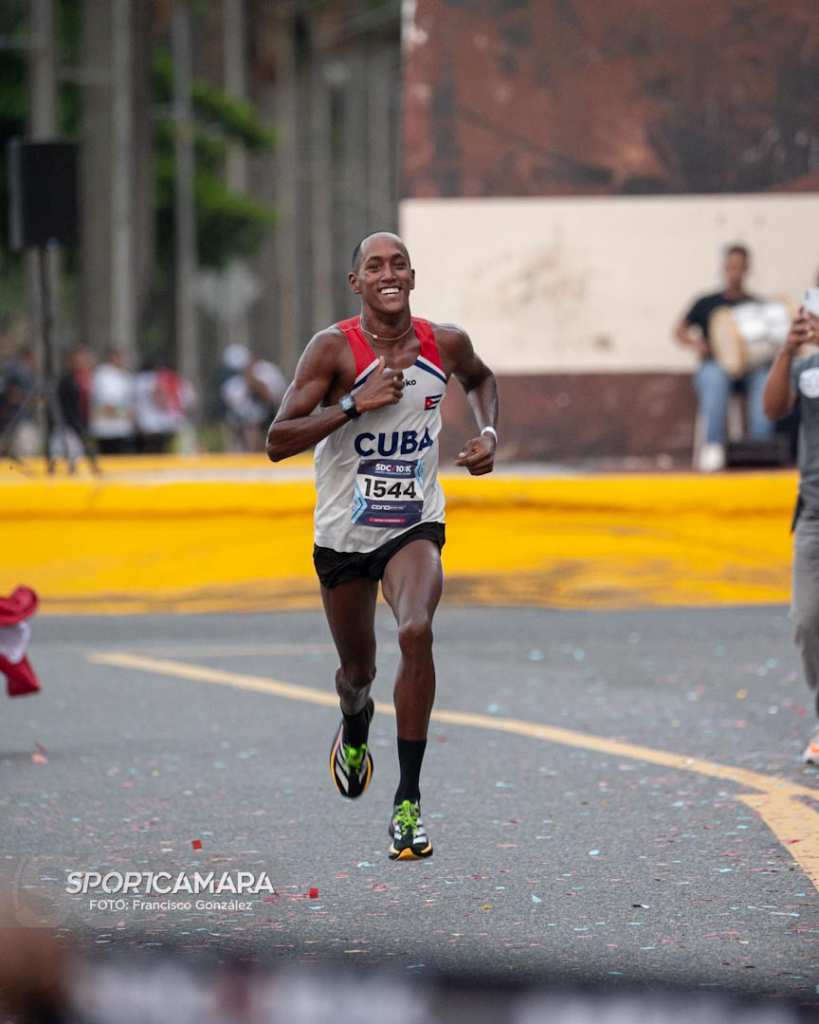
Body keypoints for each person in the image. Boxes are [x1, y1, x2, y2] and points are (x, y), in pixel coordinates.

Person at [266, 231, 498, 860]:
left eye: (398, 264)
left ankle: (408, 802)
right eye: (375, 266)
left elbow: (481, 379)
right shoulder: (332, 349)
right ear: (357, 283)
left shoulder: (443, 343)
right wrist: (351, 404)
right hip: (344, 535)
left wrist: (488, 432)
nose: (388, 274)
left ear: (413, 278)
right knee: (357, 671)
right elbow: (278, 439)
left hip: (414, 523)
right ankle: (355, 718)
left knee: (416, 629)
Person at [763, 307, 819, 763]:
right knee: (807, 621)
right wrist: (787, 349)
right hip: (814, 515)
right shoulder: (807, 370)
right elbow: (771, 409)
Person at [675, 244, 774, 471]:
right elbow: (679, 330)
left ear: (747, 269)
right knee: (714, 377)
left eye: (739, 267)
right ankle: (714, 447)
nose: (734, 272)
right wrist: (696, 344)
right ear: (724, 268)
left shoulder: (758, 305)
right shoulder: (706, 302)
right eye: (731, 267)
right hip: (715, 366)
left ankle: (760, 448)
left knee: (766, 379)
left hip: (750, 370)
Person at [222, 353, 287, 451]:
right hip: (243, 420)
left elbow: (271, 396)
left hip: (270, 413)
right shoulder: (233, 384)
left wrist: (253, 380)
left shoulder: (266, 371)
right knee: (249, 424)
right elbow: (238, 406)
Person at [89, 347, 136, 454]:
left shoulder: (124, 375)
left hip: (122, 428)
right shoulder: (104, 375)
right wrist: (124, 413)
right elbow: (107, 404)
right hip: (108, 429)